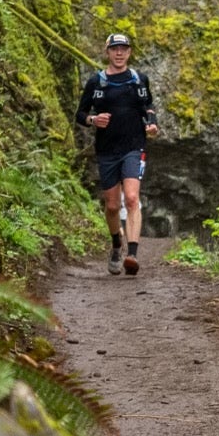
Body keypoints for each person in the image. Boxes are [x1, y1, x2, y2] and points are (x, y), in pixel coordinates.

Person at [74, 33, 158, 276]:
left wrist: (151, 123)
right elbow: (81, 114)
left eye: (123, 49)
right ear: (107, 52)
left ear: (129, 52)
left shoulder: (139, 80)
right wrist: (93, 120)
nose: (119, 53)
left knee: (131, 198)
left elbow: (148, 107)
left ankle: (132, 255)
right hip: (107, 150)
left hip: (134, 147)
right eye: (115, 49)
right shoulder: (96, 82)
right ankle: (116, 245)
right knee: (112, 206)